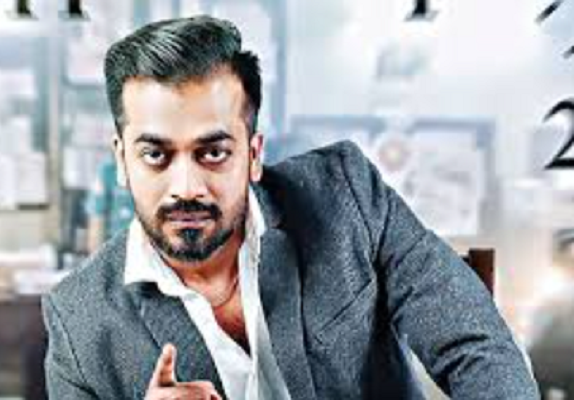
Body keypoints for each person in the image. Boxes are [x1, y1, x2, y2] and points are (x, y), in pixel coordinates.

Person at [43, 15, 539, 399]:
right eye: (156, 155)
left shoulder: (346, 197)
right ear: (121, 159)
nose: (186, 187)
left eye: (213, 153)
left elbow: (476, 346)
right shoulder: (78, 323)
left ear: (254, 154)